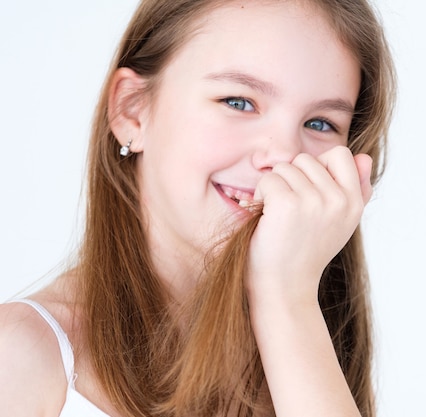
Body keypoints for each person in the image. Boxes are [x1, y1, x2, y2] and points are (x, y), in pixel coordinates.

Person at [0, 0, 395, 416]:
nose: (281, 156)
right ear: (132, 111)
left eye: (320, 124)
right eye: (238, 102)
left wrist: (287, 299)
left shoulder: (308, 349)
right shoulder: (21, 355)